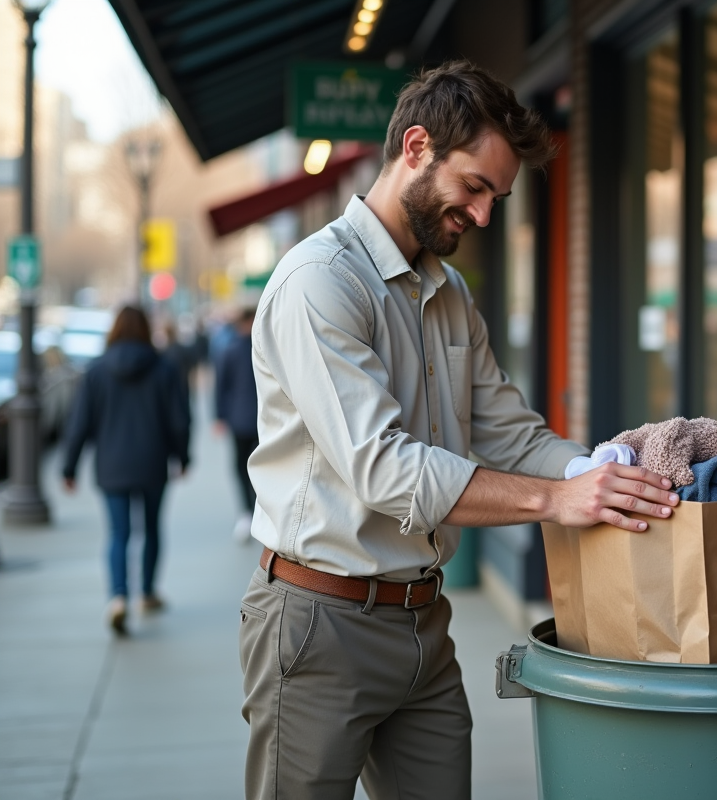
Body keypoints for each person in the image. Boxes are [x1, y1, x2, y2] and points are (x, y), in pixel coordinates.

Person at [239, 60, 679, 800]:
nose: (482, 216)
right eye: (474, 187)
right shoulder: (318, 283)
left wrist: (600, 477)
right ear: (416, 148)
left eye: (496, 199)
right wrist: (550, 503)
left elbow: (507, 430)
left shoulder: (448, 291)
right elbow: (384, 469)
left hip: (423, 625)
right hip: (319, 623)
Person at [61, 306, 191, 634]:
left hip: (111, 464)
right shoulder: (164, 369)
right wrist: (183, 457)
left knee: (119, 533)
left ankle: (118, 597)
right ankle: (146, 592)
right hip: (152, 461)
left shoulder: (96, 371)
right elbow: (179, 420)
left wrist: (69, 466)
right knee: (151, 528)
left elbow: (80, 423)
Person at [214, 307, 258, 542]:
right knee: (260, 466)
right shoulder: (267, 346)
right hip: (264, 420)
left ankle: (246, 512)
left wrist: (220, 416)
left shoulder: (229, 350)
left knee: (240, 467)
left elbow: (221, 386)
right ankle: (256, 510)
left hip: (239, 419)